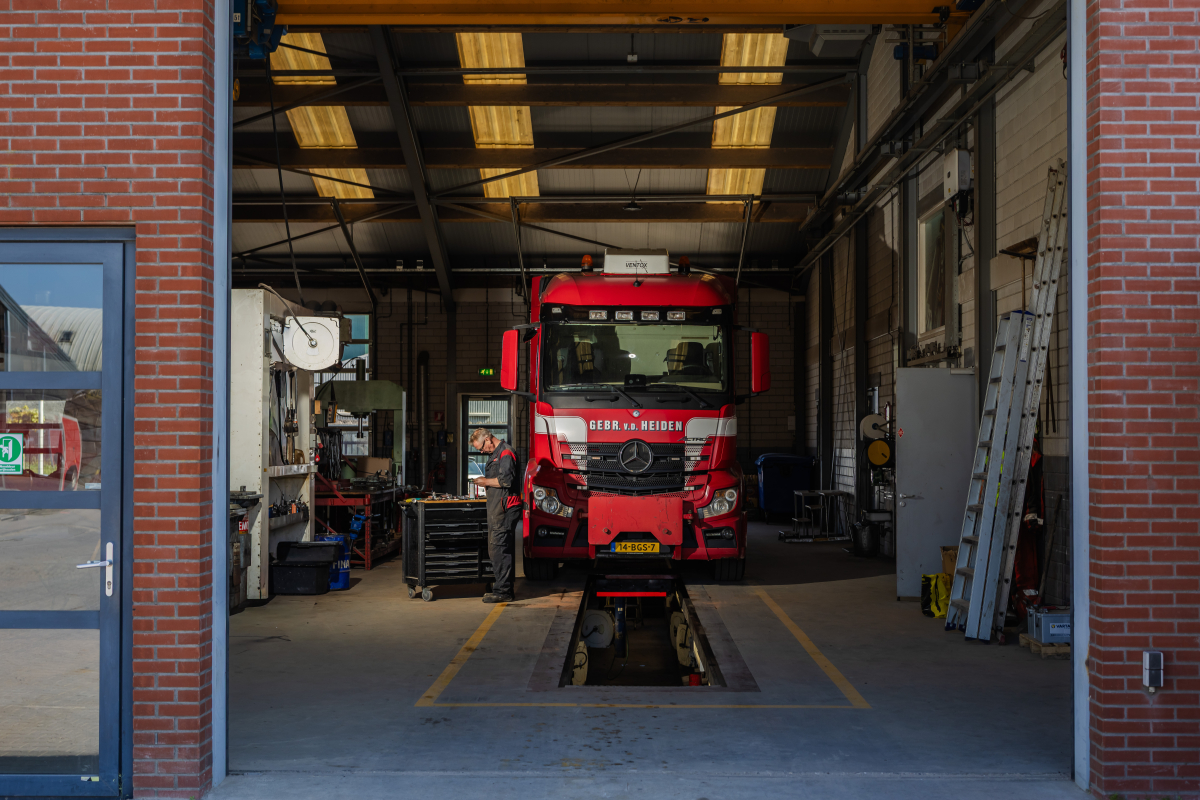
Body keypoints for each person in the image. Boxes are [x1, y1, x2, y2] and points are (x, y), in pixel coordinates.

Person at [469, 428, 520, 603]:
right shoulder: (496, 454)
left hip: (504, 509)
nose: (482, 451)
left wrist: (485, 481)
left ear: (489, 439)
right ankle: (503, 587)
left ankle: (503, 591)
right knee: (499, 548)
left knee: (499, 548)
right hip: (498, 508)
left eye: (481, 448)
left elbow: (506, 480)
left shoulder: (506, 453)